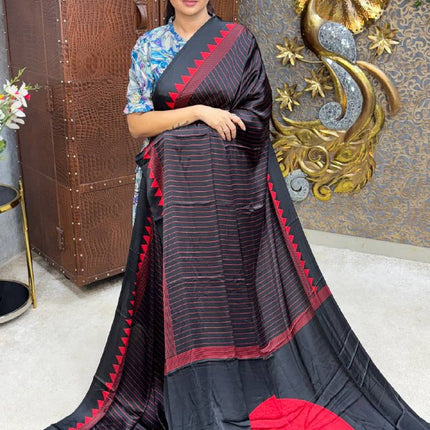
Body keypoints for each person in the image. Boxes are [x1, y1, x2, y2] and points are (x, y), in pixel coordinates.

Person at [45, 1, 428, 429]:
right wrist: (199, 113)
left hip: (226, 194)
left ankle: (232, 380)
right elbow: (137, 124)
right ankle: (183, 383)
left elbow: (256, 118)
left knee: (226, 287)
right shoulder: (149, 46)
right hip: (169, 196)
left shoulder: (237, 41)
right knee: (178, 288)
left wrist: (193, 130)